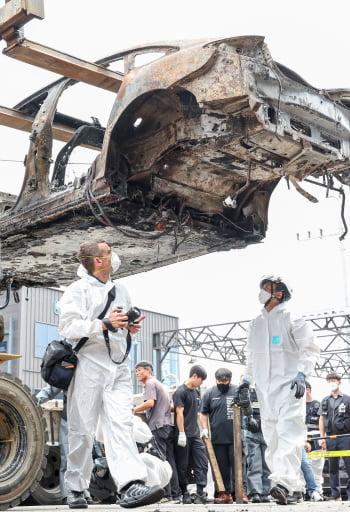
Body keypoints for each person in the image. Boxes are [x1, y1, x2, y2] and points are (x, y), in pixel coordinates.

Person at [57, 240, 164, 509]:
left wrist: (129, 328)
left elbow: (121, 324)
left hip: (118, 366)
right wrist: (103, 324)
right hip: (88, 366)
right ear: (98, 261)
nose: (114, 255)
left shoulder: (121, 289)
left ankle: (130, 485)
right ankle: (76, 488)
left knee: (121, 425)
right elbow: (67, 327)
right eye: (109, 252)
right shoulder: (77, 290)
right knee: (82, 431)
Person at [239, 274, 320, 505]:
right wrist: (246, 383)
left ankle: (285, 483)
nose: (262, 290)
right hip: (265, 392)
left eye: (267, 287)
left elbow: (310, 349)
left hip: (290, 388)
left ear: (279, 292)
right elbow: (252, 356)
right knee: (272, 438)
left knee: (288, 433)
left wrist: (303, 374)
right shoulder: (255, 324)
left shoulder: (294, 319)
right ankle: (288, 487)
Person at [133, 360, 181, 502]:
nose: (137, 373)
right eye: (136, 371)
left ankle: (165, 494)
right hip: (167, 426)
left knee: (159, 460)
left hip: (158, 426)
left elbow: (150, 403)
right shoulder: (160, 385)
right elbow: (171, 406)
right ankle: (175, 493)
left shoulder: (149, 383)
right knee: (169, 461)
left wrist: (134, 409)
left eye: (139, 370)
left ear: (148, 370)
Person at [199, 368, 237, 504]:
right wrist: (204, 429)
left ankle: (240, 492)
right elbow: (203, 413)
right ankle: (225, 494)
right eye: (220, 381)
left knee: (239, 466)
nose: (223, 383)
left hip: (236, 438)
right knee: (222, 468)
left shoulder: (236, 391)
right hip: (218, 438)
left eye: (225, 381)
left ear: (230, 380)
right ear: (216, 380)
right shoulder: (210, 393)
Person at [173, 364, 209, 504]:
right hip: (183, 434)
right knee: (183, 465)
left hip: (195, 434)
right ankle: (185, 493)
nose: (202, 383)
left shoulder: (195, 392)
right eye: (201, 379)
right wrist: (181, 433)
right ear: (194, 376)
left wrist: (203, 428)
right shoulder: (180, 392)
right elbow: (179, 413)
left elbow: (198, 412)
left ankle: (200, 492)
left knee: (202, 462)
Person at [319, 371, 350, 501]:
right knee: (332, 467)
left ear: (339, 382)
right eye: (330, 381)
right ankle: (335, 494)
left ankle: (349, 494)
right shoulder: (325, 400)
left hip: (345, 436)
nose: (332, 383)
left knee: (349, 466)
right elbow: (321, 419)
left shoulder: (347, 399)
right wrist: (322, 438)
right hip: (330, 437)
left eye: (334, 381)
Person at [244, 387, 271, 503]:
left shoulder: (270, 390)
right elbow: (242, 407)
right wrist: (248, 418)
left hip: (267, 432)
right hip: (252, 432)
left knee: (267, 463)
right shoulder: (248, 392)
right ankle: (255, 492)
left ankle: (266, 492)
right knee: (254, 463)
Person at [305, 381, 324, 496]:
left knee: (317, 467)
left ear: (307, 389)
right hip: (302, 438)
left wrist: (323, 439)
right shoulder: (298, 406)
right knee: (302, 466)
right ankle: (301, 492)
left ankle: (319, 491)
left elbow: (323, 422)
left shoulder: (318, 404)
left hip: (316, 438)